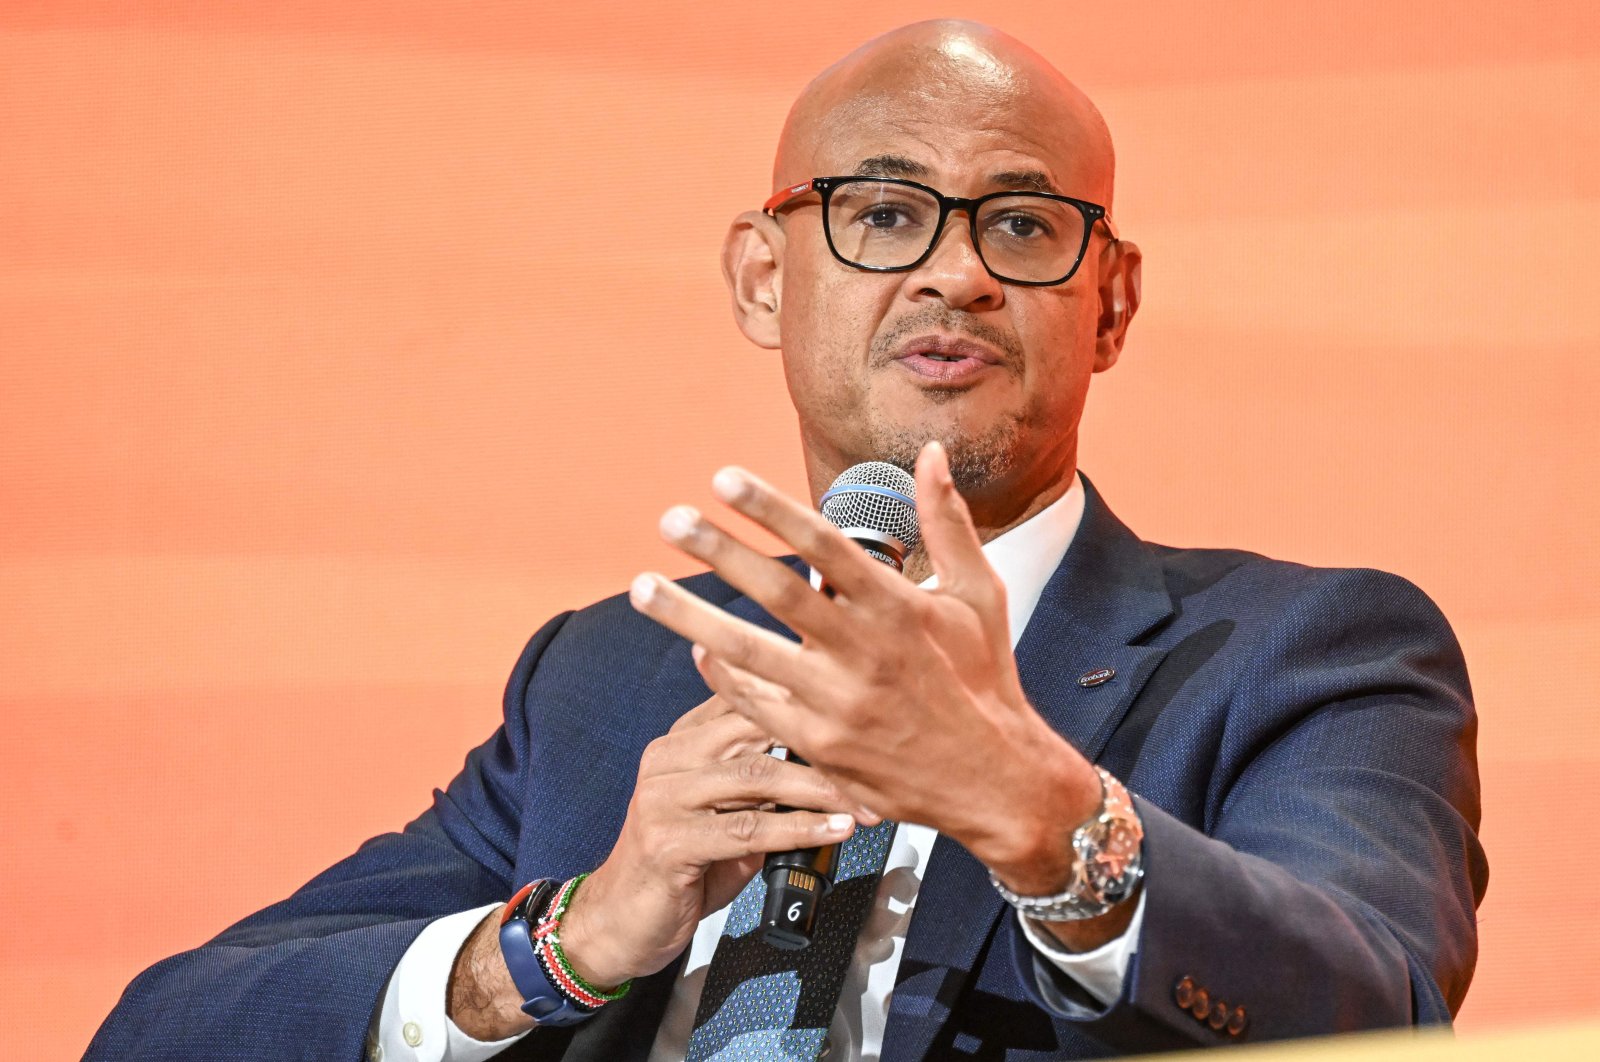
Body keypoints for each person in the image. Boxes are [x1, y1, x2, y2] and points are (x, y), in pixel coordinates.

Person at [86, 20, 1487, 1062]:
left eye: (1021, 223)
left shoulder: (1310, 650)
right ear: (765, 281)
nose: (957, 269)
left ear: (1108, 304)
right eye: (883, 214)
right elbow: (166, 1032)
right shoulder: (610, 675)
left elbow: (1381, 1009)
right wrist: (564, 940)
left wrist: (1035, 807)